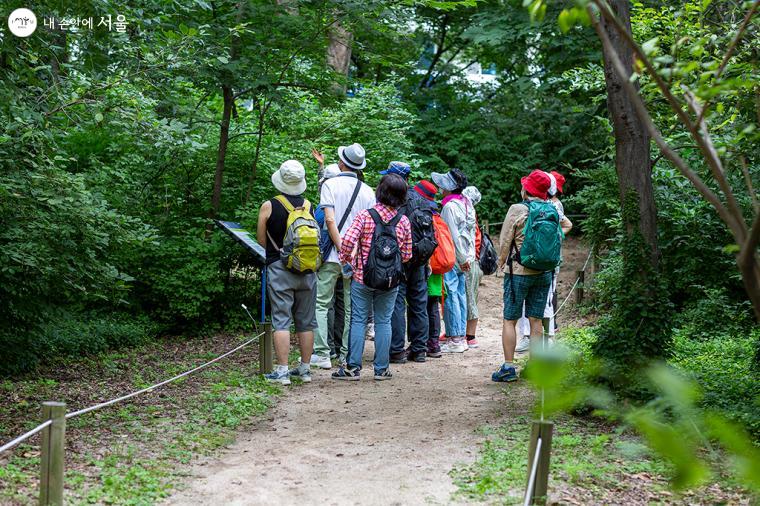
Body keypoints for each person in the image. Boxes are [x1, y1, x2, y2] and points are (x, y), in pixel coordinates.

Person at [332, 174, 413, 381]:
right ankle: (381, 369)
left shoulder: (364, 216)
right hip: (390, 281)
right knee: (384, 321)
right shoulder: (403, 221)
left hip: (363, 277)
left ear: (380, 192)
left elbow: (347, 242)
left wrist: (345, 261)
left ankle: (352, 369)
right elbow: (406, 255)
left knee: (358, 320)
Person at [309, 143, 375, 369]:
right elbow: (368, 227)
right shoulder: (368, 191)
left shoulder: (330, 185)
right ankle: (347, 354)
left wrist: (341, 248)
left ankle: (322, 353)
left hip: (331, 256)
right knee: (351, 307)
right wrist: (351, 252)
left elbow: (329, 220)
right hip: (357, 258)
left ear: (341, 162)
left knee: (320, 302)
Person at [257, 160, 318, 385]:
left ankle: (282, 372)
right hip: (307, 269)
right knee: (306, 321)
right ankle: (305, 369)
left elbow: (262, 239)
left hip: (279, 267)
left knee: (281, 320)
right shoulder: (309, 205)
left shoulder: (269, 206)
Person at [493, 170, 556, 382]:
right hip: (544, 272)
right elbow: (560, 233)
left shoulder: (517, 209)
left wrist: (500, 263)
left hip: (519, 272)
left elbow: (505, 240)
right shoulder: (552, 208)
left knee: (510, 319)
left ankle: (509, 368)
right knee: (536, 320)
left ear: (526, 189)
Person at [383, 162, 435, 364]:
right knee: (419, 304)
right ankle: (419, 349)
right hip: (420, 259)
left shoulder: (395, 200)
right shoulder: (421, 200)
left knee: (397, 303)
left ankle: (396, 350)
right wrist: (427, 260)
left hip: (399, 259)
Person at [516, 171, 573, 351]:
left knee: (542, 301)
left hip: (540, 262)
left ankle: (542, 339)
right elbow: (566, 225)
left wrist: (553, 240)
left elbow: (566, 225)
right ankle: (545, 339)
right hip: (549, 260)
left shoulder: (549, 206)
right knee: (544, 300)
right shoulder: (552, 206)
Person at [431, 168, 475, 354]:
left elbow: (452, 236)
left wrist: (461, 258)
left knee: (450, 295)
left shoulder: (449, 207)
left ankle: (455, 338)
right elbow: (471, 232)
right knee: (460, 295)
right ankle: (460, 337)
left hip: (453, 256)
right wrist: (469, 257)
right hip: (465, 256)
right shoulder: (466, 203)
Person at [413, 180, 445, 358]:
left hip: (427, 264)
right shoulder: (437, 217)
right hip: (438, 265)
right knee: (433, 304)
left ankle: (427, 343)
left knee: (422, 305)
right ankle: (434, 343)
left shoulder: (423, 216)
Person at [461, 186, 483, 350]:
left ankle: (471, 336)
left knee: (470, 298)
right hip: (471, 261)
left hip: (471, 262)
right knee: (466, 297)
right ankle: (462, 333)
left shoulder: (469, 215)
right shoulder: (470, 213)